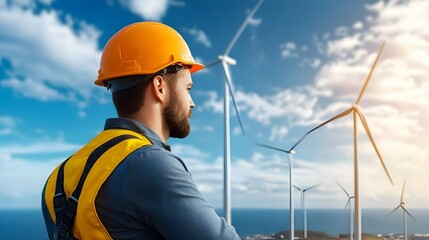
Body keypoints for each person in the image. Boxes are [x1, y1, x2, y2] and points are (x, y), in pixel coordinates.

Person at [41, 21, 240, 240]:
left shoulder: (58, 178)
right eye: (188, 88)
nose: (192, 102)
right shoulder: (149, 164)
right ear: (160, 87)